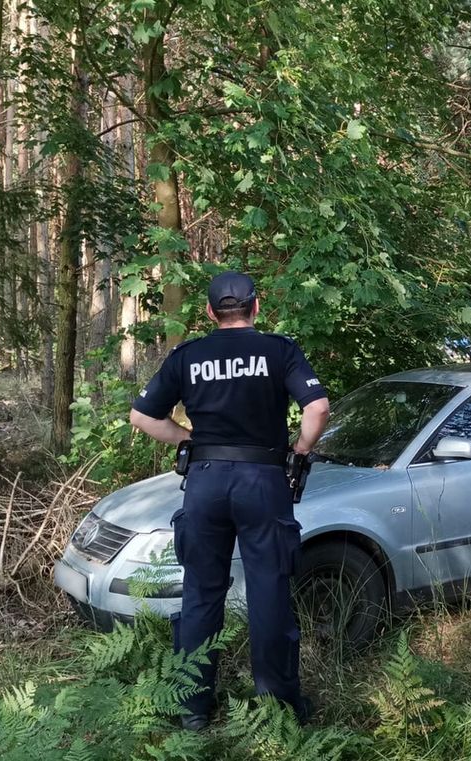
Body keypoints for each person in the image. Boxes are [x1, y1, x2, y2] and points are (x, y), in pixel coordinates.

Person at [129, 271, 330, 730]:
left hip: (205, 482)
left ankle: (192, 710)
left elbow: (141, 416)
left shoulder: (189, 355)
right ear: (256, 308)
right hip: (263, 481)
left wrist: (188, 439)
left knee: (201, 591)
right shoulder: (280, 351)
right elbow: (317, 408)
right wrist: (299, 449)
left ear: (210, 312)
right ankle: (278, 707)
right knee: (268, 590)